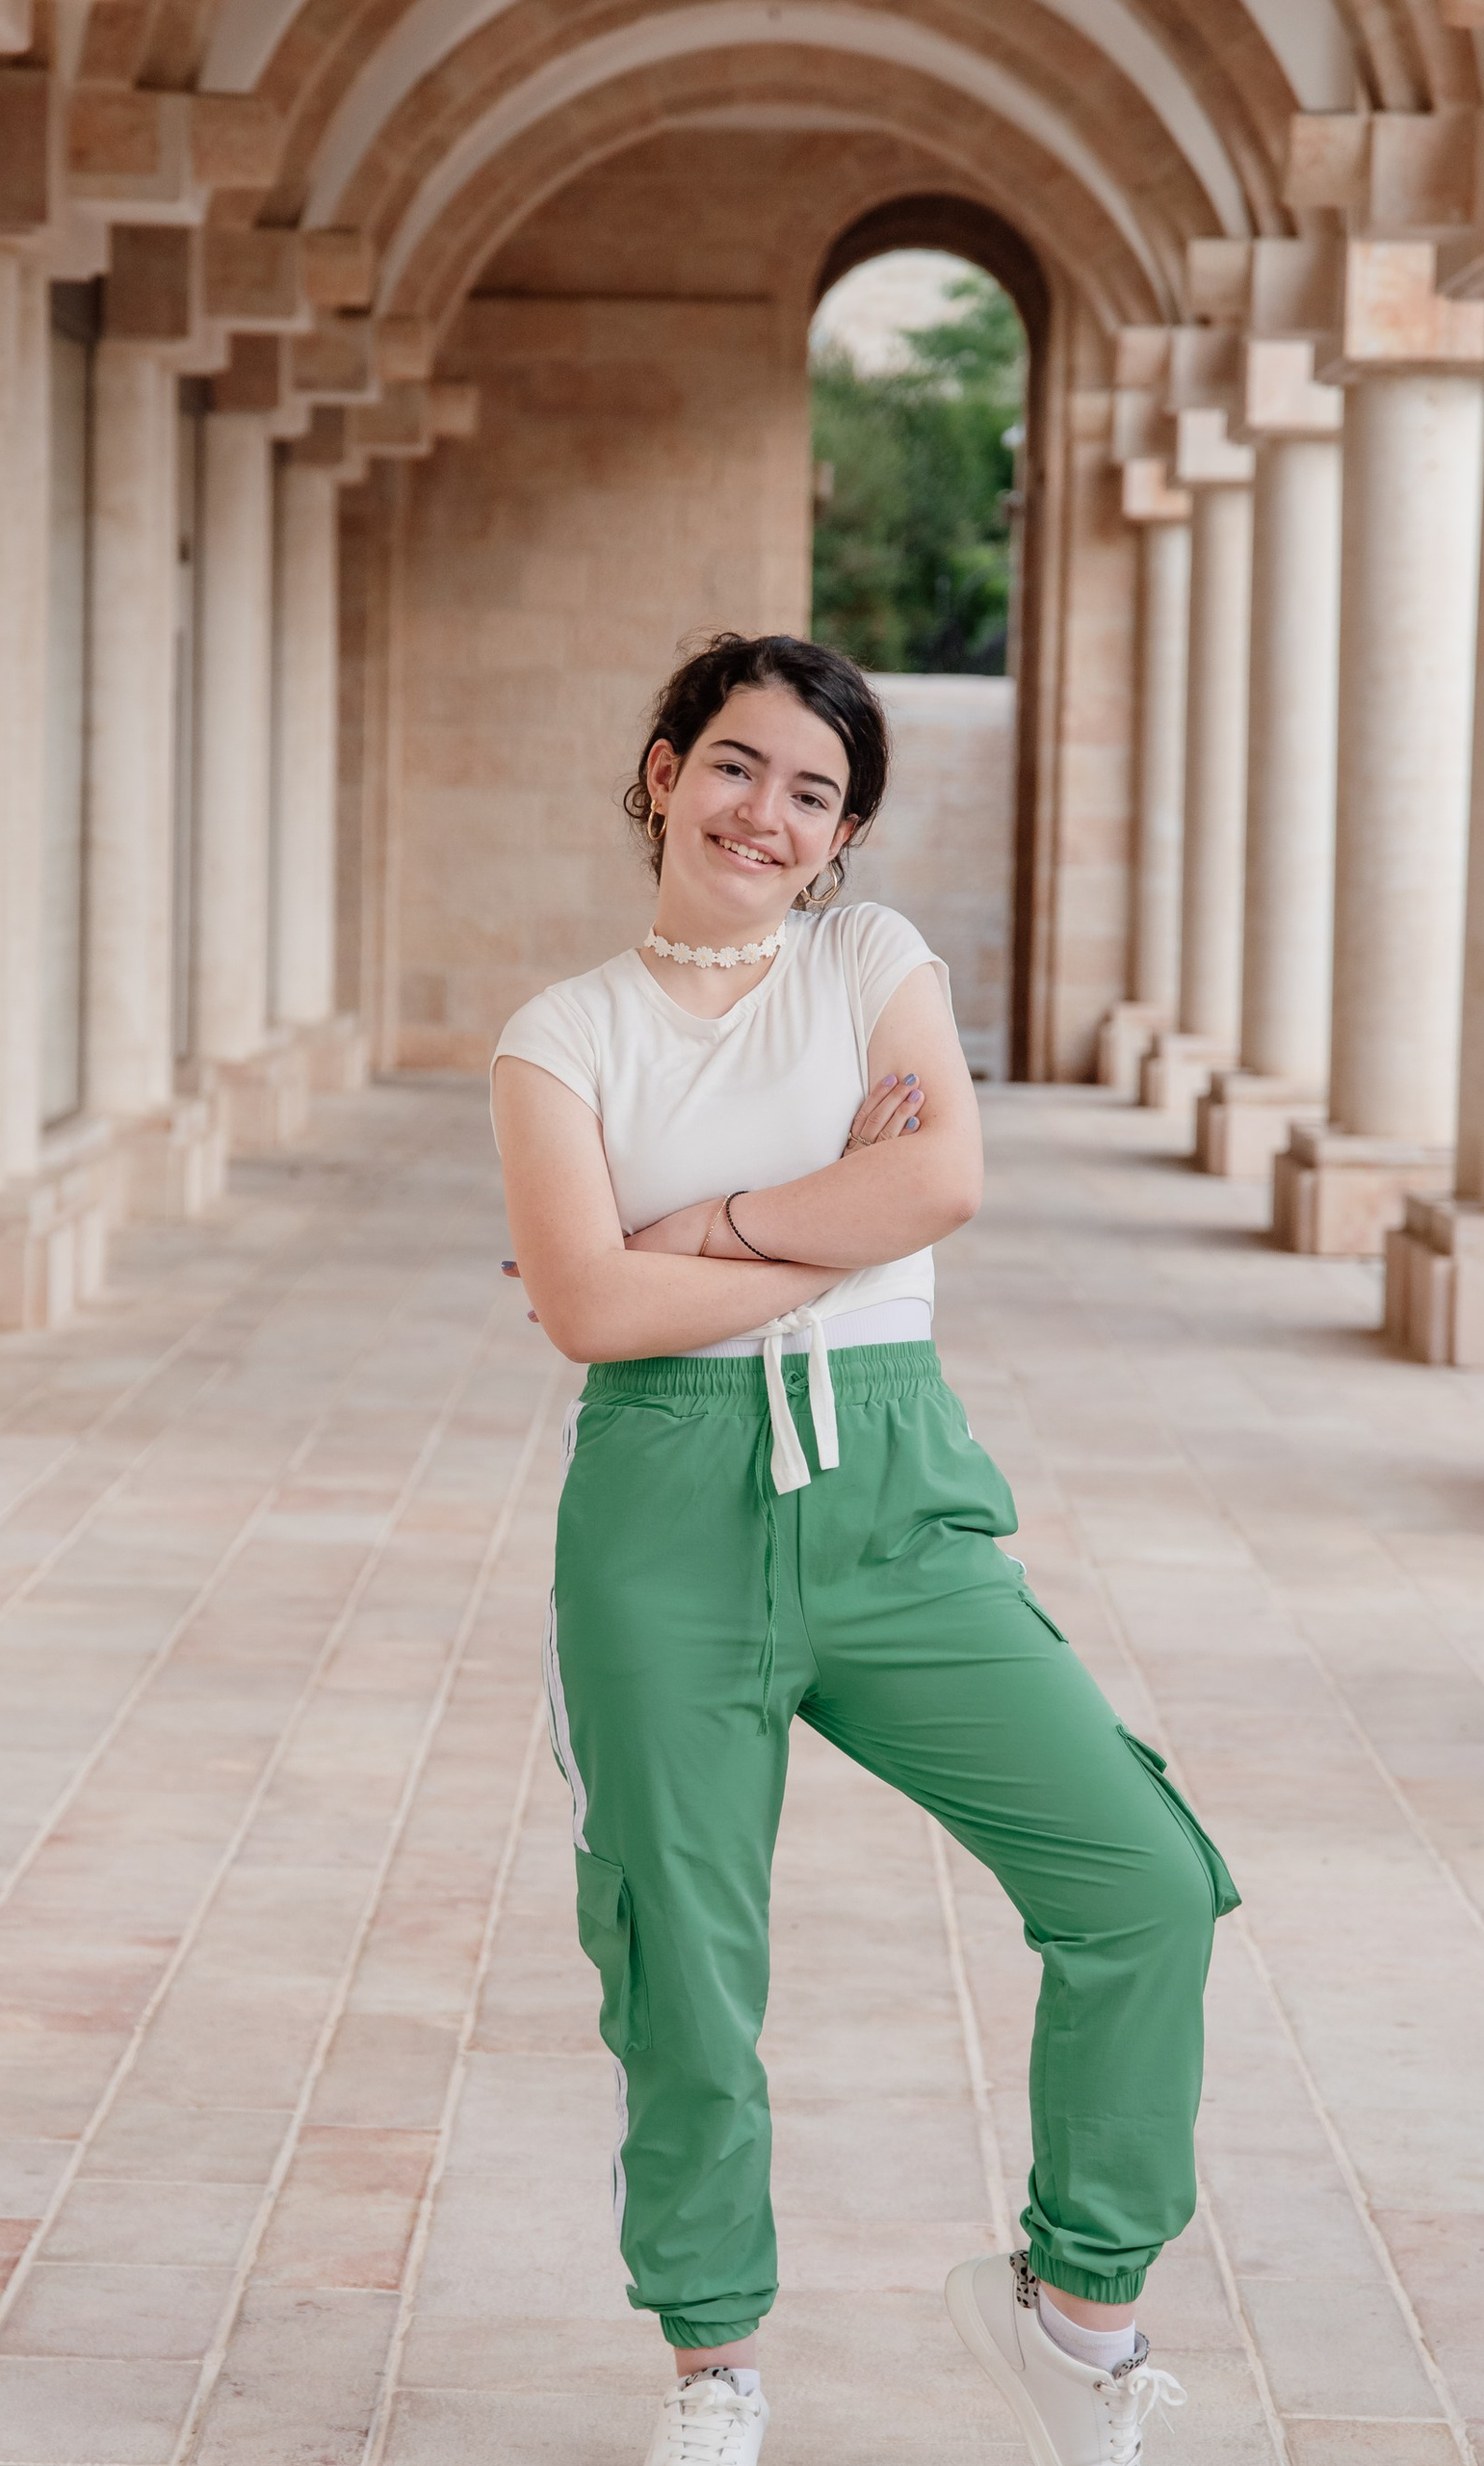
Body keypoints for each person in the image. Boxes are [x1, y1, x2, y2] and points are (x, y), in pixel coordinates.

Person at [490, 633, 1237, 2466]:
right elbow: (588, 1307)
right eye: (737, 766)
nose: (768, 812)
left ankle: (1074, 2316)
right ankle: (716, 2370)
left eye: (813, 793)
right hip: (662, 1516)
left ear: (842, 838)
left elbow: (947, 1182)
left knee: (1141, 1879)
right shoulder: (558, 1035)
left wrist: (712, 1233)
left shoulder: (871, 963)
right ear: (665, 769)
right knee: (683, 1959)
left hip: (897, 1485)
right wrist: (840, 1224)